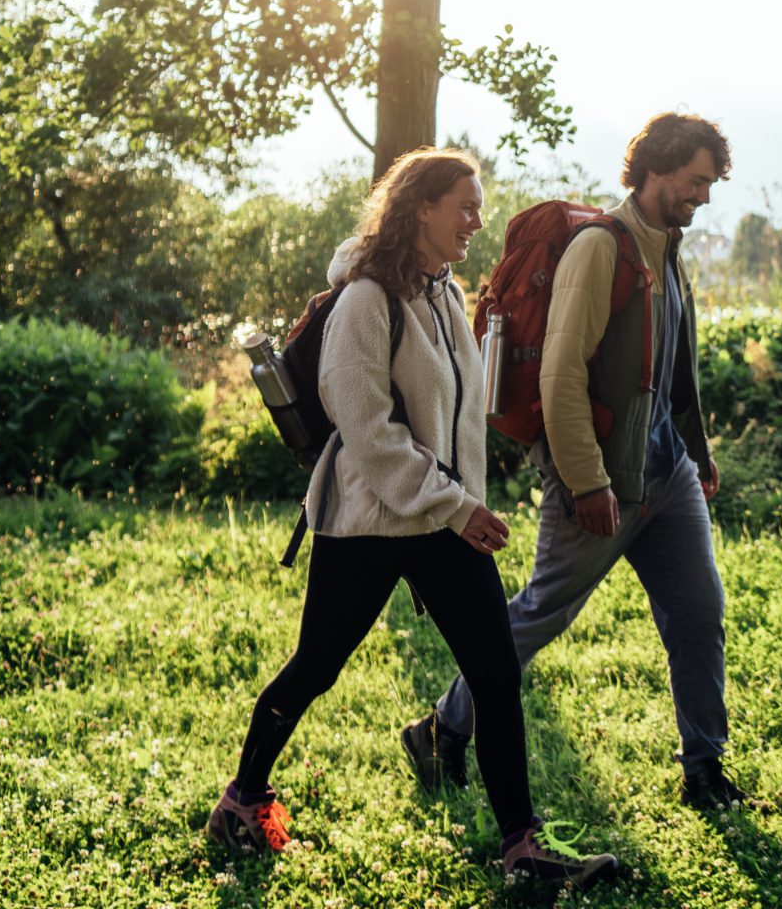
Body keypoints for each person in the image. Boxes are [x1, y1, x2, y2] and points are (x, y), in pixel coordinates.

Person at [207, 148, 616, 887]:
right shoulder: (366, 301)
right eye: (463, 204)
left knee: (495, 673)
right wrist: (456, 505)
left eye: (477, 205)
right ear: (418, 209)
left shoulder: (442, 294)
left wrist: (461, 503)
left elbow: (457, 419)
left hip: (441, 521)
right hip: (368, 524)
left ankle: (523, 853)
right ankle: (242, 801)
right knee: (316, 669)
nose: (476, 218)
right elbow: (367, 431)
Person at [403, 113, 747, 808]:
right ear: (655, 169)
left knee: (699, 613)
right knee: (543, 610)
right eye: (695, 181)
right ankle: (442, 726)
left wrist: (697, 449)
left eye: (710, 184)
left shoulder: (667, 248)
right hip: (603, 476)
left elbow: (673, 364)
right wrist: (586, 480)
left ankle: (704, 771)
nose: (704, 197)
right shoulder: (602, 246)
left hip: (667, 470)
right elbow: (561, 375)